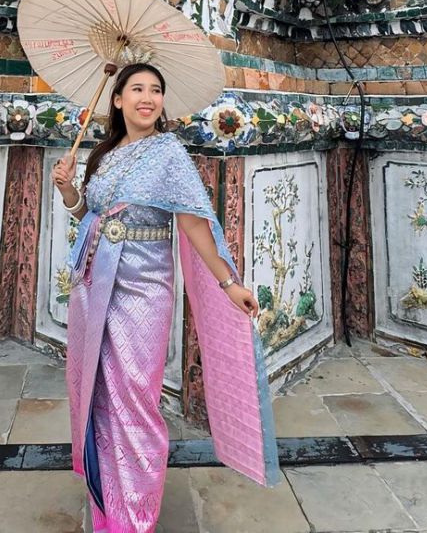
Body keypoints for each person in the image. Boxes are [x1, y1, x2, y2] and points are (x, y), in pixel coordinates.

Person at [52, 62, 279, 532]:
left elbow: (194, 223)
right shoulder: (103, 153)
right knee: (96, 391)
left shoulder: (169, 154)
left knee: (136, 395)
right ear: (117, 100)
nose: (147, 98)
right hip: (94, 283)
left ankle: (135, 518)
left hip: (144, 287)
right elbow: (87, 216)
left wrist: (227, 282)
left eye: (155, 90)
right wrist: (70, 189)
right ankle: (108, 500)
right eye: (136, 89)